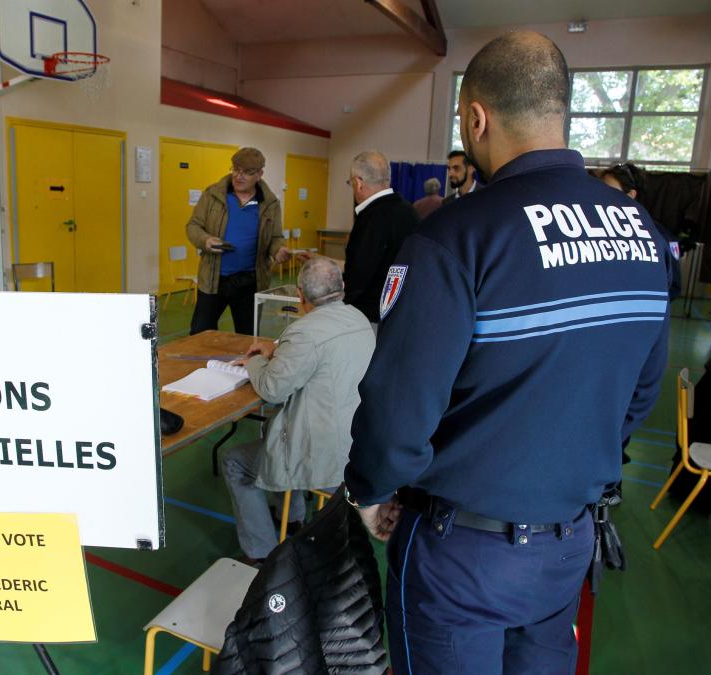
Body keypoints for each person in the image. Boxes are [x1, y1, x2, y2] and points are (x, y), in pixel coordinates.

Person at [345, 31, 671, 674]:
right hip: (567, 544)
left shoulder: (458, 238)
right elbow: (639, 393)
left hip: (460, 552)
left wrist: (373, 489)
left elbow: (399, 401)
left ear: (475, 117)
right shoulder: (646, 236)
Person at [220, 256, 374, 565]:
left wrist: (255, 361)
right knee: (281, 429)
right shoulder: (359, 320)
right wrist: (277, 351)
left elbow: (272, 389)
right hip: (356, 444)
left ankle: (261, 552)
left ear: (300, 296)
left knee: (235, 460)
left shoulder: (304, 331)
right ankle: (292, 518)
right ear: (342, 287)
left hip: (321, 453)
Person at [186, 147, 290, 335]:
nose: (238, 176)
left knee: (247, 337)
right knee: (200, 333)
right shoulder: (213, 195)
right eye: (235, 169)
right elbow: (193, 226)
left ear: (259, 174)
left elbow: (275, 237)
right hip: (213, 279)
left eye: (247, 172)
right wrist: (205, 240)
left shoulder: (270, 203)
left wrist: (278, 250)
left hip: (250, 281)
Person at [343, 150, 420, 327]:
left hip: (370, 318)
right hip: (403, 314)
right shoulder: (409, 211)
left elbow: (358, 277)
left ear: (358, 183)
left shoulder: (370, 218)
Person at [599, 162, 682, 299]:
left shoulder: (660, 235)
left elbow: (673, 286)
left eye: (610, 191)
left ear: (631, 195)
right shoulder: (594, 229)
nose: (601, 197)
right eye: (599, 190)